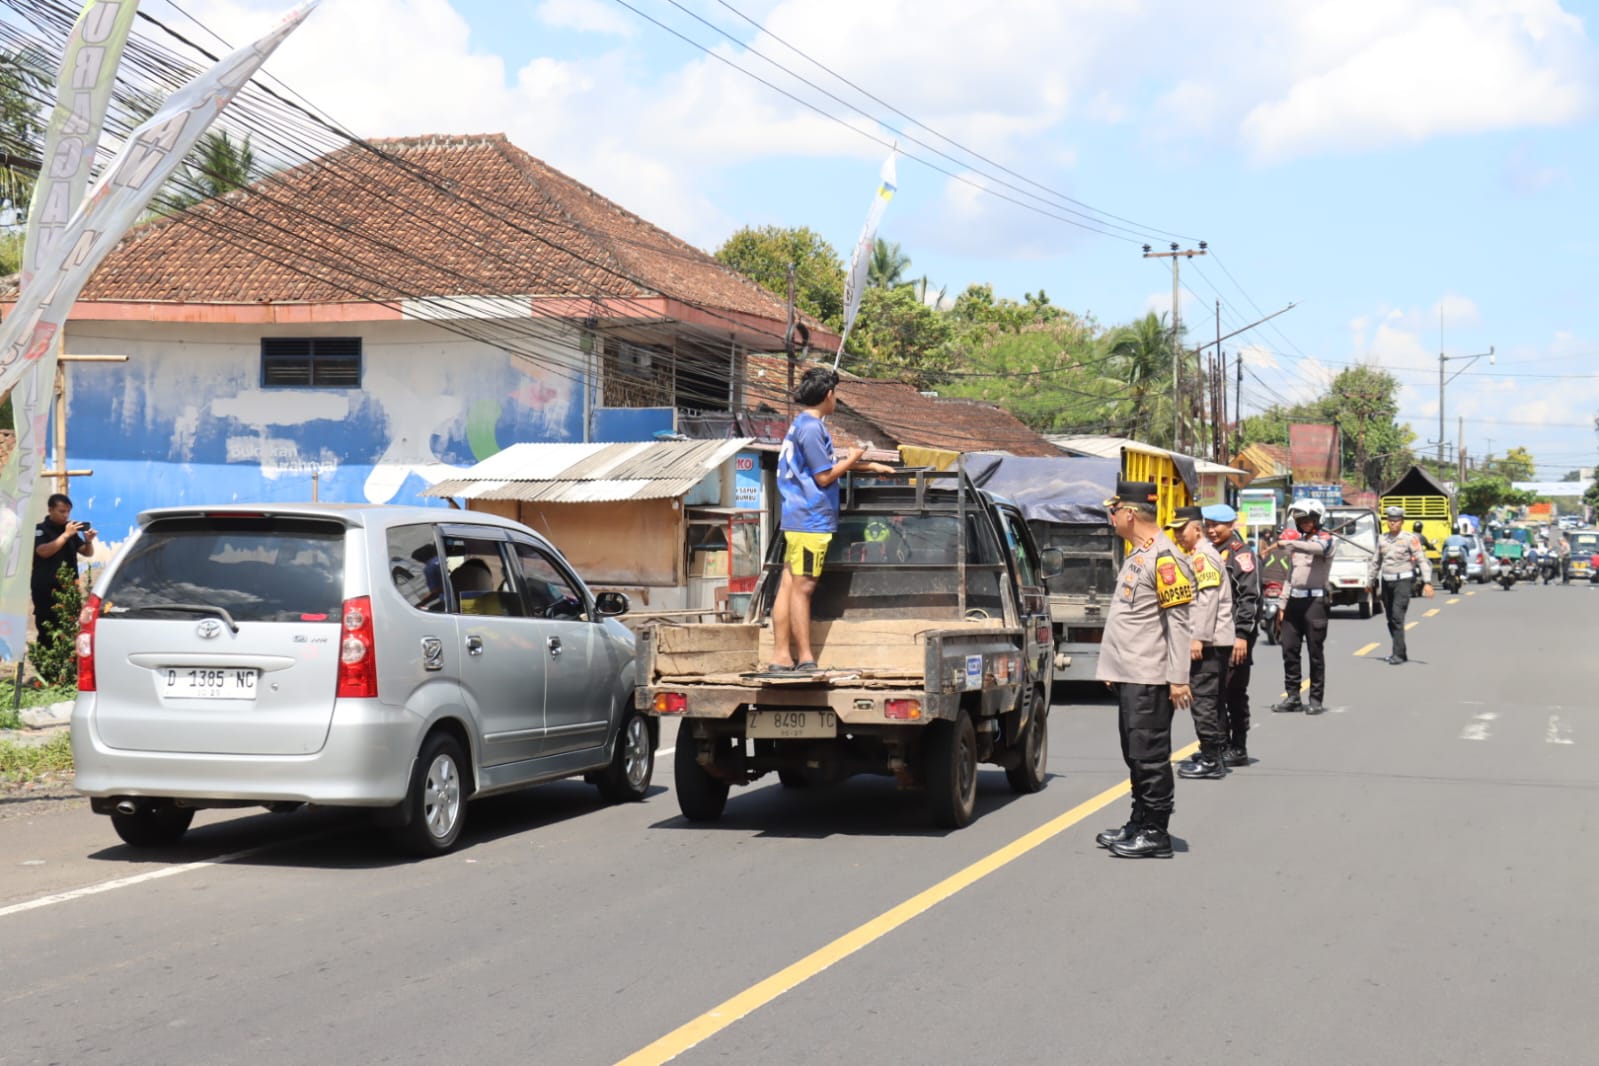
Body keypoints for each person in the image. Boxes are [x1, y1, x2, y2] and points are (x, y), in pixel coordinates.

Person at [1093, 480, 1195, 859]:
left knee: (1150, 756)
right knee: (1134, 753)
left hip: (1151, 678)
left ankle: (1156, 831)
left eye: (1114, 511)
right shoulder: (1140, 553)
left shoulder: (1165, 558)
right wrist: (1113, 666)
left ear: (1130, 513)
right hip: (1131, 673)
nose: (1111, 518)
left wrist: (1179, 678)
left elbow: (1180, 622)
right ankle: (1139, 820)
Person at [770, 367, 891, 673]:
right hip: (811, 521)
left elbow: (824, 466)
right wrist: (854, 457)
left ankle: (781, 656)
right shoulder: (812, 429)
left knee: (788, 585)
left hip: (799, 518)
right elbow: (825, 477)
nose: (836, 399)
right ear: (828, 395)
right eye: (835, 394)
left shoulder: (802, 425)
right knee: (803, 588)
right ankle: (805, 658)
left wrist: (868, 465)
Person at [1168, 506, 1234, 781]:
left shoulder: (1203, 557)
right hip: (1214, 639)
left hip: (1209, 640)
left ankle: (1211, 758)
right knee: (1212, 700)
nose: (1178, 536)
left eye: (1181, 530)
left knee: (1204, 700)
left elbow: (1207, 600)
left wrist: (1198, 637)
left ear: (1196, 529)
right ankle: (1214, 752)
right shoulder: (1201, 555)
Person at [1202, 503, 1261, 767]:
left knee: (1234, 692)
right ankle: (1219, 745)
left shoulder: (1240, 555)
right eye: (1208, 525)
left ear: (1231, 525)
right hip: (1215, 635)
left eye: (1217, 525)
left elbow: (1249, 598)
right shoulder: (1211, 552)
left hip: (1235, 636)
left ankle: (1239, 747)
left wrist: (1242, 635)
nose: (1211, 530)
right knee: (1215, 693)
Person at [1271, 498, 1335, 715]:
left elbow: (1318, 548)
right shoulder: (1298, 544)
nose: (1305, 524)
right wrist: (1282, 604)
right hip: (1294, 602)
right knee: (1289, 650)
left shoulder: (1326, 541)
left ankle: (1315, 699)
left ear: (1317, 519)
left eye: (1308, 520)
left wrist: (1290, 544)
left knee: (1315, 652)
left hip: (1315, 602)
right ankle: (1292, 697)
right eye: (1301, 521)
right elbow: (1291, 576)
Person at [32, 493, 97, 644]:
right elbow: (43, 551)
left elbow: (87, 552)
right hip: (46, 590)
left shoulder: (70, 530)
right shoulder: (40, 530)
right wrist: (66, 535)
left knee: (69, 629)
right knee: (47, 630)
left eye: (68, 511)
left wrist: (88, 542)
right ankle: (48, 663)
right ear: (50, 510)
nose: (66, 515)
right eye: (62, 511)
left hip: (68, 589)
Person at [1376, 506, 1433, 664]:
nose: (1392, 523)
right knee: (1390, 618)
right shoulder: (1382, 539)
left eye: (1396, 521)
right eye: (1390, 521)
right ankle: (1401, 651)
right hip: (1386, 581)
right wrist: (1369, 580)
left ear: (1402, 522)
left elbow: (1421, 559)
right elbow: (1376, 561)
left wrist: (1427, 582)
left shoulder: (1409, 538)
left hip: (1403, 581)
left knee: (1397, 616)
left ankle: (1398, 655)